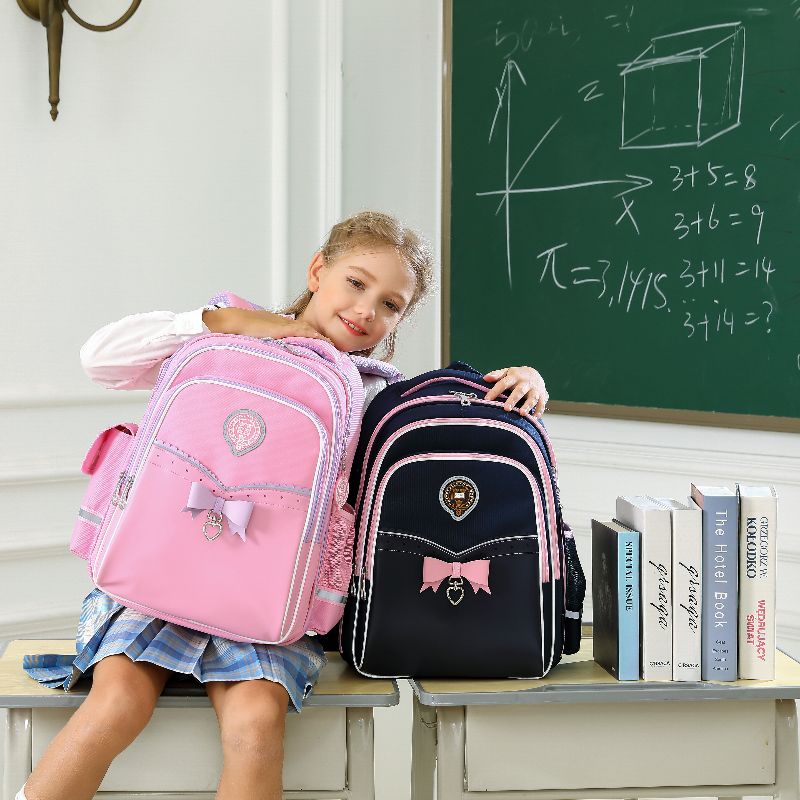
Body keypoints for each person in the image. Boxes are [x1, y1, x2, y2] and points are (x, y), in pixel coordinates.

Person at [17, 211, 548, 800]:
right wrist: (216, 321)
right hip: (155, 582)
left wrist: (522, 380)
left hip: (273, 599)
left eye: (391, 304)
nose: (367, 310)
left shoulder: (374, 389)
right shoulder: (231, 332)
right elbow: (100, 358)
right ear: (318, 269)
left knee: (255, 724)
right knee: (115, 703)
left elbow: (437, 429)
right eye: (356, 281)